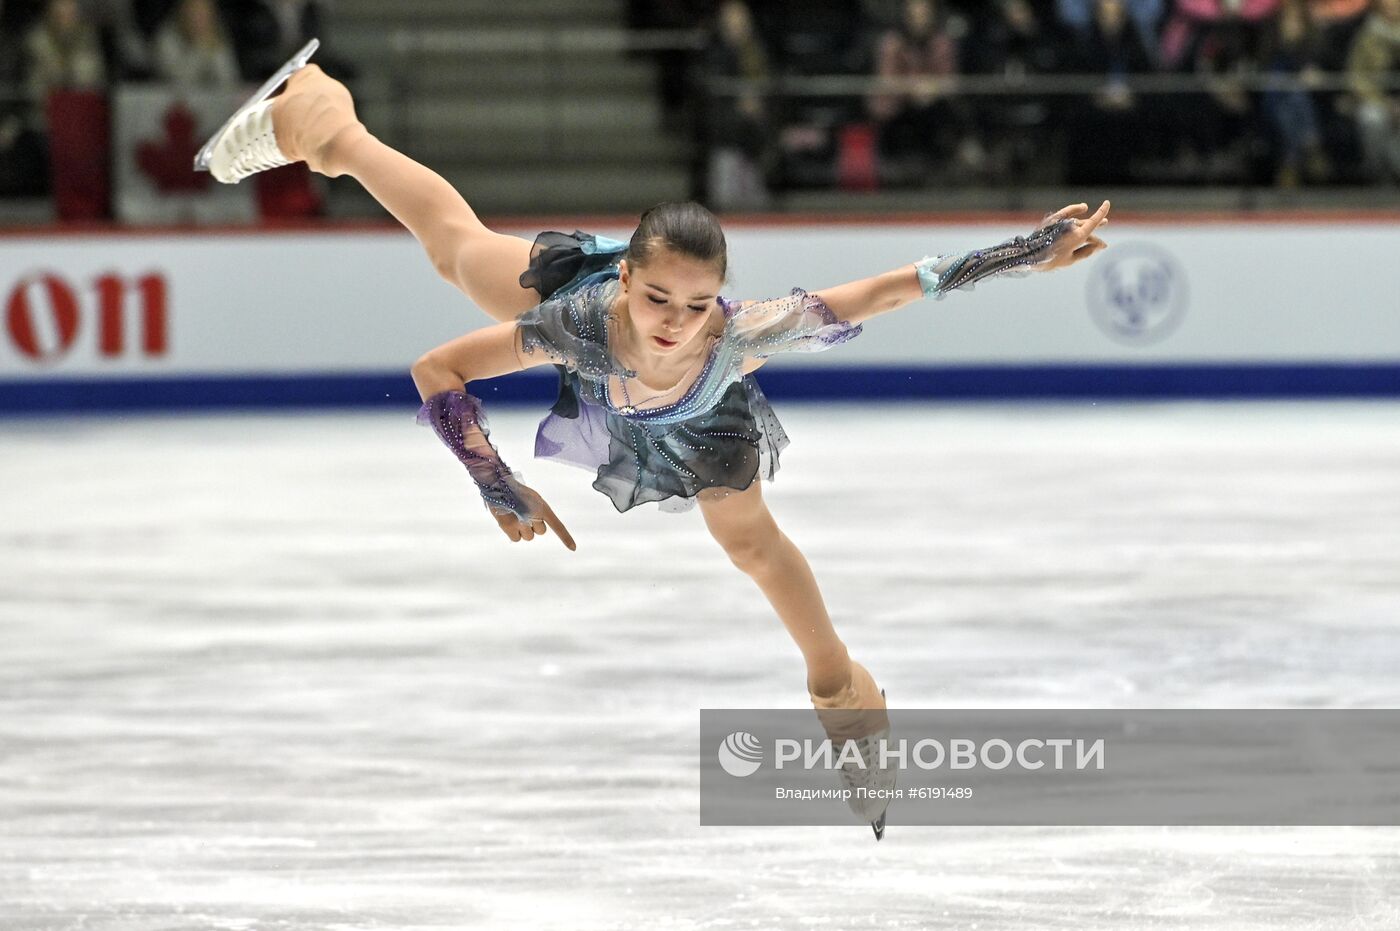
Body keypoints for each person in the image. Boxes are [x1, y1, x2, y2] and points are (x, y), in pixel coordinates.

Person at [201, 61, 1111, 839]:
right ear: (625, 278)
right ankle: (324, 122)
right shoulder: (578, 323)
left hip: (707, 418)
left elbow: (891, 288)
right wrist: (496, 482)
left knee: (751, 542)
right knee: (456, 252)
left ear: (720, 298)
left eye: (698, 303)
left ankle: (840, 687)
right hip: (599, 353)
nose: (677, 322)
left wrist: (1027, 251)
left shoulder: (739, 333)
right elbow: (438, 368)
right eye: (658, 299)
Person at [1347, 0, 1400, 185]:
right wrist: (1384, 103)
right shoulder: (1367, 36)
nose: (1393, 10)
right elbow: (1356, 76)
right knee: (1372, 120)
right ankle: (1380, 176)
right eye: (1388, 7)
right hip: (1375, 99)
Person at [152, 0, 239, 89]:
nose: (199, 19)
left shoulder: (217, 36)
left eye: (204, 13)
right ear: (182, 12)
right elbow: (176, 81)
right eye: (194, 12)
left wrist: (217, 53)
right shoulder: (167, 39)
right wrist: (201, 48)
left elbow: (230, 80)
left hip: (208, 96)